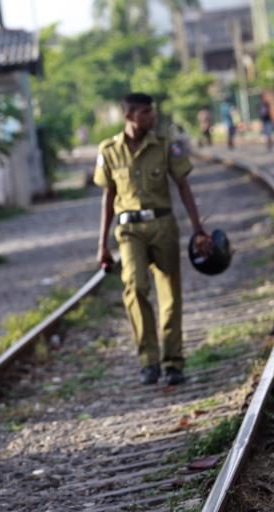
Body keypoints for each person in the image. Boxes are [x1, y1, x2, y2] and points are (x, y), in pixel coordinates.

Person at [94, 93, 212, 386]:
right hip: (129, 230)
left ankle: (173, 362)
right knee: (135, 287)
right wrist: (102, 244)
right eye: (146, 112)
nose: (152, 117)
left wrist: (198, 229)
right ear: (130, 116)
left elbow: (183, 186)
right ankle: (149, 360)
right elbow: (108, 197)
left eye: (152, 112)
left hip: (163, 225)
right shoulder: (109, 150)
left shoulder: (165, 146)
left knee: (170, 294)